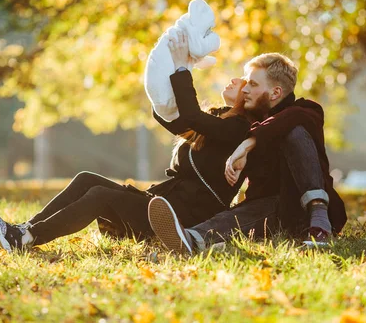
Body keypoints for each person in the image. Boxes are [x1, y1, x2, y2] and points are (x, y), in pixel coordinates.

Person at [0, 31, 253, 252]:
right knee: (87, 179)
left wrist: (182, 67)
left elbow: (192, 115)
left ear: (253, 98)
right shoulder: (218, 118)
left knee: (100, 195)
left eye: (246, 81)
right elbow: (172, 120)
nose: (235, 79)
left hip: (181, 218)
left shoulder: (239, 129)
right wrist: (167, 72)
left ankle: (26, 239)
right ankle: (22, 231)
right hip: (164, 202)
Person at [147, 53, 347, 254]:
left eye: (252, 84)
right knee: (243, 213)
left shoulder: (305, 111)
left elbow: (288, 118)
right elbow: (191, 123)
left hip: (303, 209)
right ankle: (191, 239)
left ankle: (319, 215)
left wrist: (248, 144)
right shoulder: (251, 122)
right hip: (273, 213)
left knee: (293, 131)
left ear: (275, 92)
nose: (246, 89)